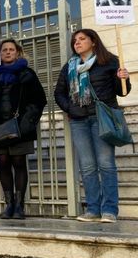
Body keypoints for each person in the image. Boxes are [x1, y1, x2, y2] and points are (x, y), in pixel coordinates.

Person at [54, 29, 131, 223]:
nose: (77, 43)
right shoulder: (70, 65)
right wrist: (71, 108)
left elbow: (122, 92)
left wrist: (124, 78)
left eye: (82, 39)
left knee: (106, 165)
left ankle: (110, 210)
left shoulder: (109, 61)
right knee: (87, 167)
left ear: (93, 41)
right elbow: (59, 93)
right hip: (79, 120)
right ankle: (93, 209)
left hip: (101, 118)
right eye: (75, 40)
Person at [0, 39, 46, 219]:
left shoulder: (27, 73)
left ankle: (19, 205)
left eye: (11, 49)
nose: (8, 52)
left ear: (17, 52)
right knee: (3, 162)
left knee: (18, 162)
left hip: (20, 126)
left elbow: (40, 99)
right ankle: (8, 205)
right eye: (4, 50)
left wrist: (28, 120)